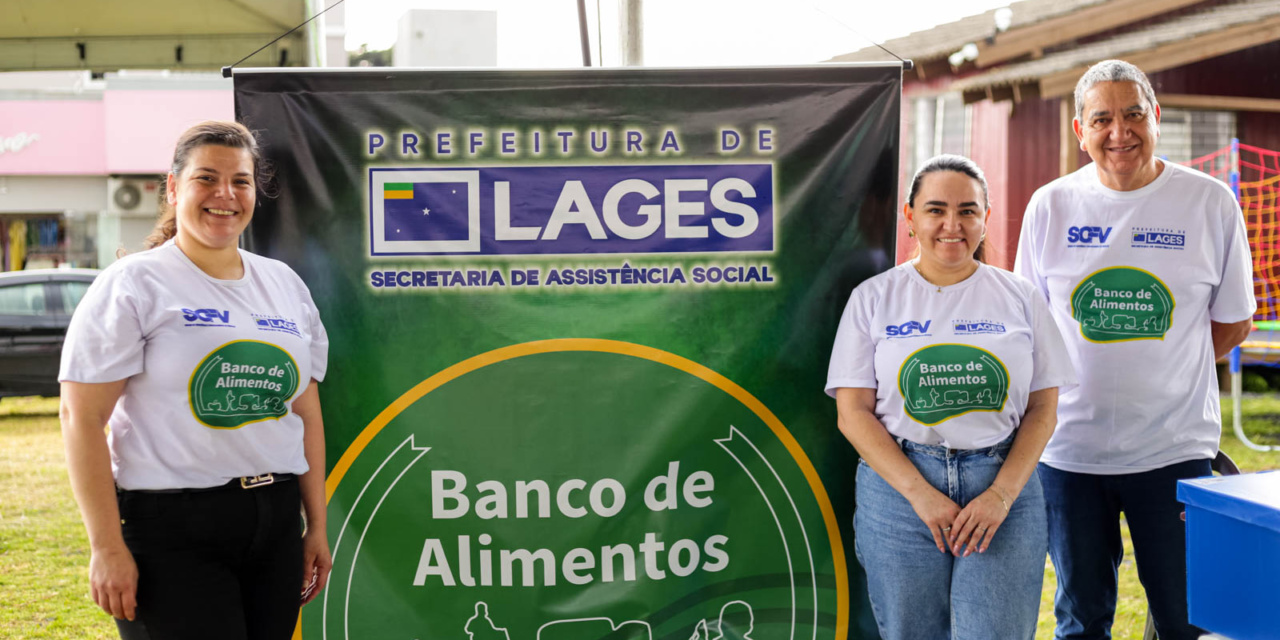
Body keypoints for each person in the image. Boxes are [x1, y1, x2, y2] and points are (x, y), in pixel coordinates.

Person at [59, 120, 332, 640]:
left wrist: (314, 525)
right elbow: (80, 417)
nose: (225, 195)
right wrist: (106, 546)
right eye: (206, 178)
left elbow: (305, 412)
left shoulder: (284, 285)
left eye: (241, 181)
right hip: (171, 529)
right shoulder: (133, 284)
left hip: (274, 521)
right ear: (173, 187)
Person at [1014, 60, 1255, 640]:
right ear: (1079, 130)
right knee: (1081, 619)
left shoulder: (1209, 203)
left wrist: (1169, 371)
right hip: (1070, 454)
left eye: (1132, 114)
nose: (1119, 131)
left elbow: (1233, 322)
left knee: (1185, 618)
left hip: (1173, 449)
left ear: (1156, 117)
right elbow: (1029, 328)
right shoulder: (1050, 206)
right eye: (1102, 119)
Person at [827, 154, 1076, 639]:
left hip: (1002, 485)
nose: (951, 225)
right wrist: (921, 494)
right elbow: (852, 414)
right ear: (910, 217)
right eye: (936, 209)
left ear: (985, 217)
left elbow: (1044, 410)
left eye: (967, 210)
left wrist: (1000, 496)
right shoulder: (873, 298)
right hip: (898, 489)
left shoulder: (1021, 297)